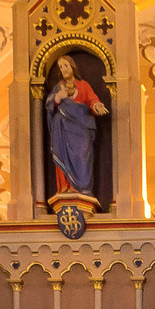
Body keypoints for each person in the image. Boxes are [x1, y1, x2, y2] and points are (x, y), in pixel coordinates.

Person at [46, 53, 108, 205]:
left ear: (72, 66)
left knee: (83, 156)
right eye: (61, 67)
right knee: (63, 156)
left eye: (66, 65)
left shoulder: (83, 85)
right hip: (62, 130)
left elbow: (92, 99)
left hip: (81, 129)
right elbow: (49, 104)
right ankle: (65, 187)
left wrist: (96, 105)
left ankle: (82, 189)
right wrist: (57, 98)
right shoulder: (58, 88)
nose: (64, 69)